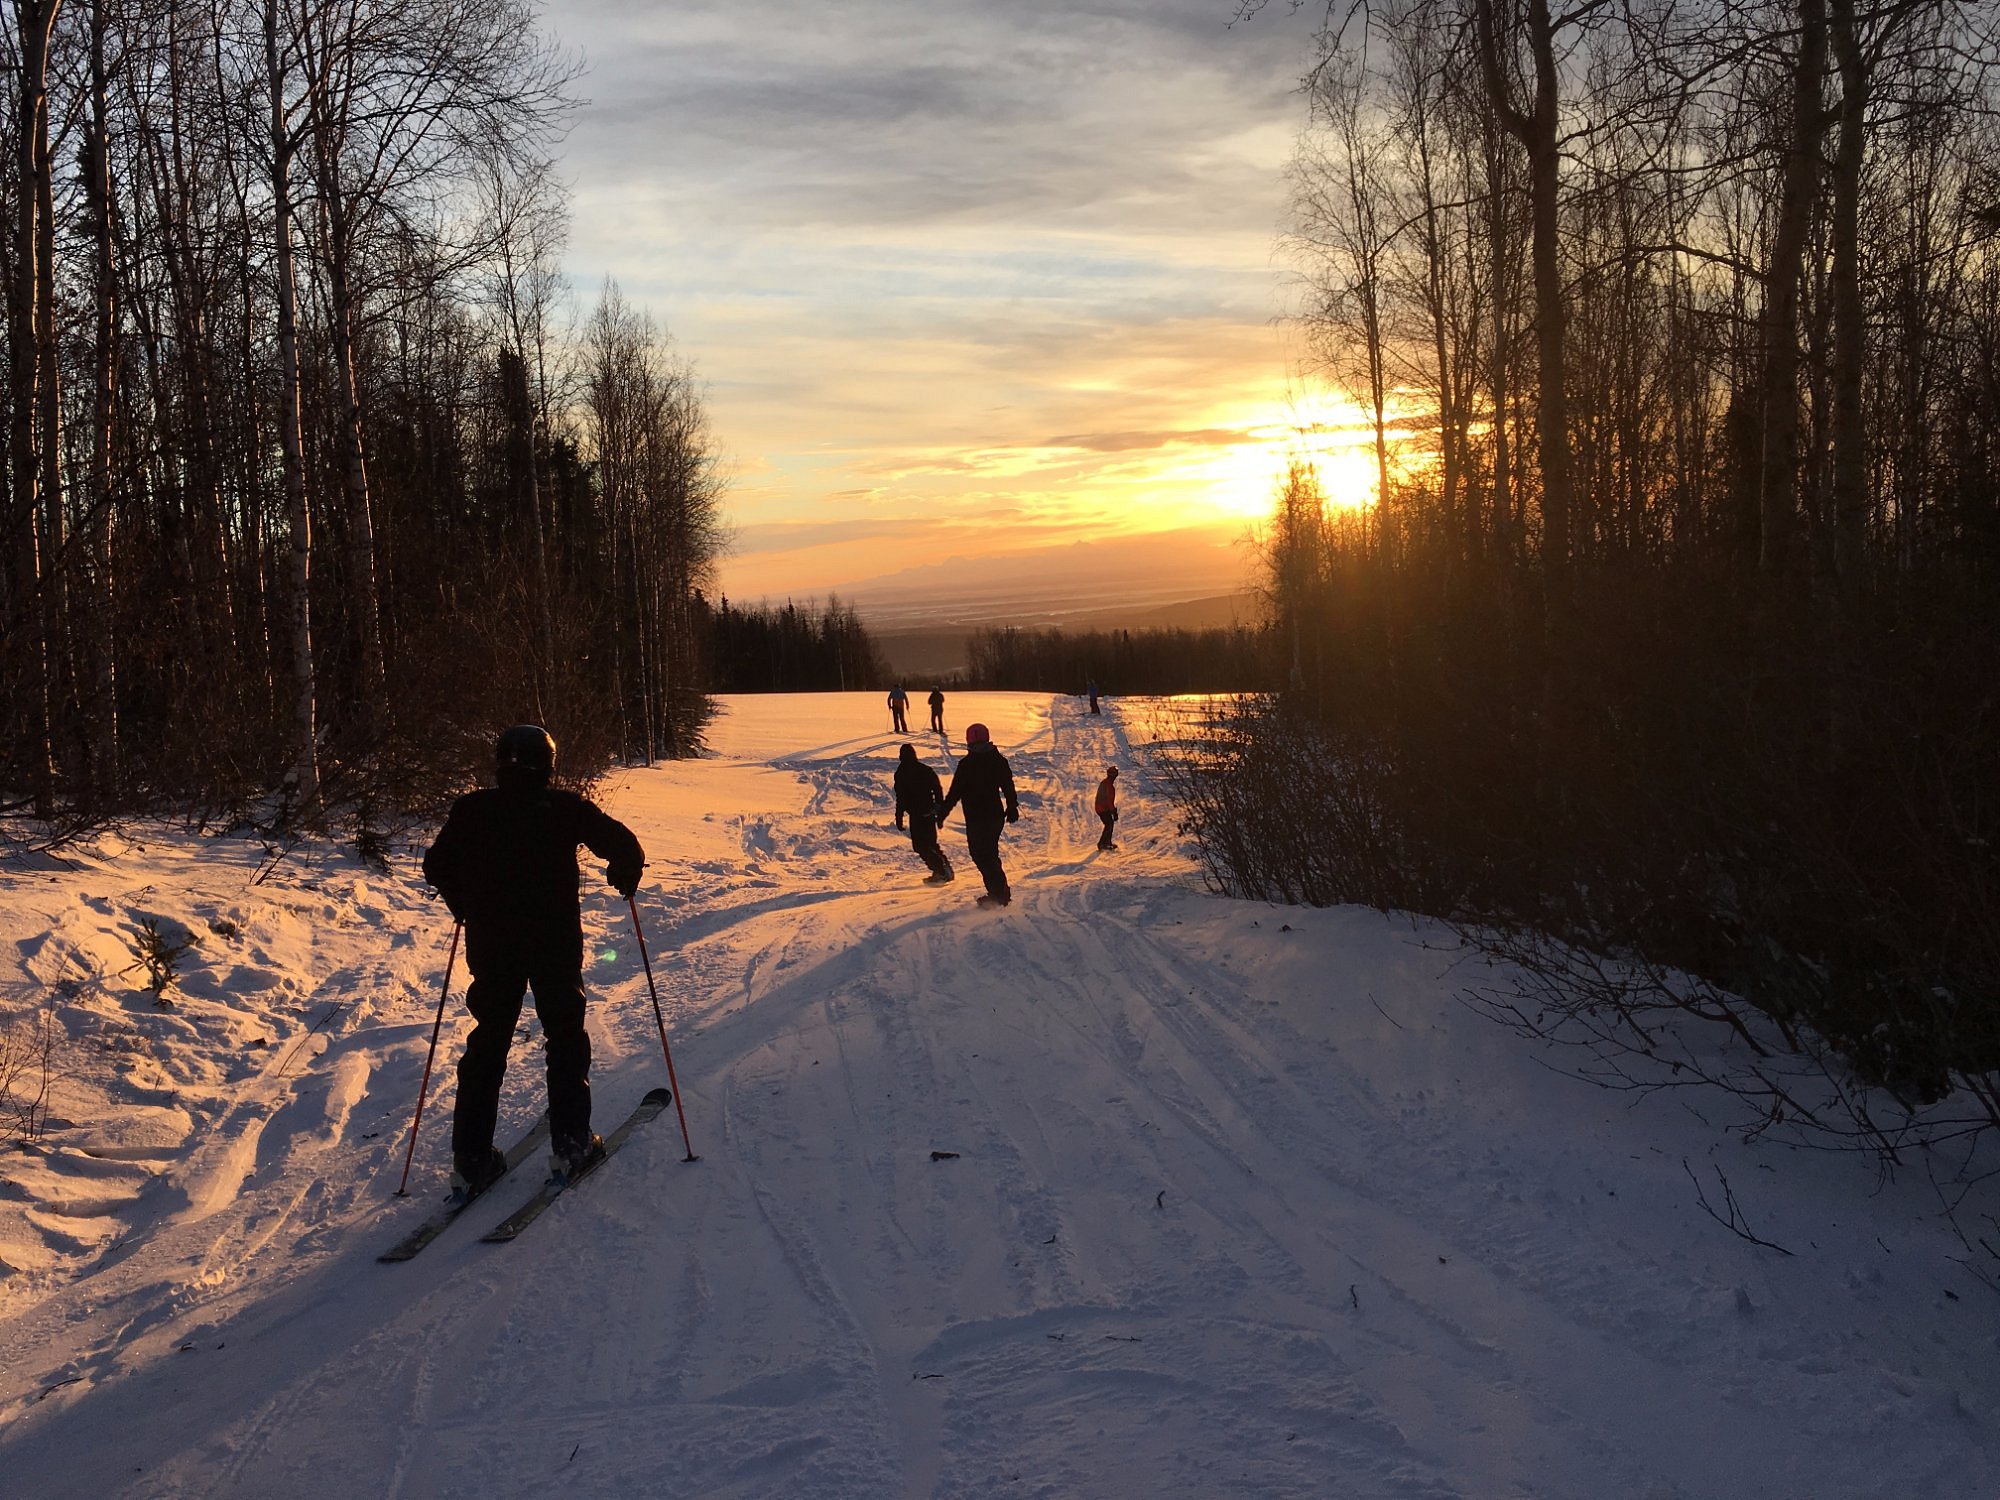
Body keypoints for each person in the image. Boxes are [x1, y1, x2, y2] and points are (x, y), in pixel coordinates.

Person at [422, 724, 645, 1196]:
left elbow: (436, 865)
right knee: (564, 1038)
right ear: (548, 764)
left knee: (488, 1042)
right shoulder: (563, 808)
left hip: (493, 945)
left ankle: (472, 1158)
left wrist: (464, 903)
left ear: (500, 762)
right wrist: (624, 874)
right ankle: (571, 1143)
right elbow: (624, 845)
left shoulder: (472, 809)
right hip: (554, 943)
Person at [938, 722, 1019, 907]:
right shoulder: (997, 760)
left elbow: (955, 792)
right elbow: (1008, 786)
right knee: (989, 854)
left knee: (982, 855)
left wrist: (943, 813)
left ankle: (998, 895)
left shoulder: (967, 764)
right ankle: (1000, 892)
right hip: (995, 816)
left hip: (977, 818)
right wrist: (1012, 806)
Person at [893, 743, 953, 884]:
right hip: (929, 812)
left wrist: (899, 817)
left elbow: (901, 798)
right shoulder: (925, 769)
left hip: (917, 814)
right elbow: (937, 788)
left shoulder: (901, 773)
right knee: (931, 843)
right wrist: (939, 806)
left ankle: (941, 871)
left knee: (920, 846)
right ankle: (944, 869)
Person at [1095, 765, 1119, 850]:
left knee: (1109, 824)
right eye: (1115, 775)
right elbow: (1109, 800)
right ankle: (1103, 844)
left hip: (1102, 807)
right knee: (1109, 824)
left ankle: (1106, 843)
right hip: (1103, 808)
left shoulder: (1106, 783)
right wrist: (1113, 811)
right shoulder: (1108, 785)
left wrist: (1112, 810)